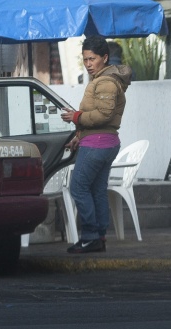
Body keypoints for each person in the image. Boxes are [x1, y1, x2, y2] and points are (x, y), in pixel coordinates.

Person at [60, 36, 132, 253]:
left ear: (105, 58)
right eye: (85, 59)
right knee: (97, 190)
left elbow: (103, 115)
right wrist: (79, 135)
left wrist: (76, 117)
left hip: (98, 144)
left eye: (92, 59)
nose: (89, 64)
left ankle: (91, 235)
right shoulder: (102, 80)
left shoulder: (106, 82)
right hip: (103, 142)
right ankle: (99, 238)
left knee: (78, 187)